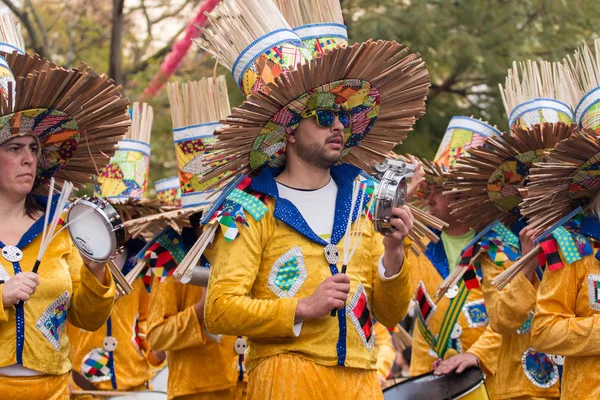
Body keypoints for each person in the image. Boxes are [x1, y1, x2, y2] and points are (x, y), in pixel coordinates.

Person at [193, 1, 430, 398]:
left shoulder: (363, 202)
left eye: (342, 117)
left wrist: (393, 253)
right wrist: (301, 307)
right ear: (287, 130)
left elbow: (389, 315)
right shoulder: (250, 207)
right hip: (287, 378)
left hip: (362, 381)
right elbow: (219, 309)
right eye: (322, 117)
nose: (337, 125)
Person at [0, 18, 129, 400]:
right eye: (14, 148)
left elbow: (87, 319)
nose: (28, 159)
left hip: (55, 389)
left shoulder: (59, 228)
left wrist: (95, 268)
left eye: (34, 149)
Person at [407, 117, 503, 391]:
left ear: (463, 195)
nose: (429, 199)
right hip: (430, 384)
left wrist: (477, 354)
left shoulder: (498, 247)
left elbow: (513, 318)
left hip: (488, 384)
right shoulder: (418, 246)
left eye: (439, 190)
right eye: (429, 190)